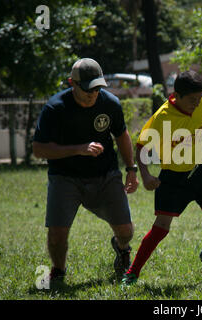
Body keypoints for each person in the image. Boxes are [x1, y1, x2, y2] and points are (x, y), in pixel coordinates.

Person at [121, 70, 202, 285]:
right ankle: (132, 273)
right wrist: (144, 175)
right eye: (191, 100)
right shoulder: (163, 117)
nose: (196, 103)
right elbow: (142, 144)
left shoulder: (201, 98)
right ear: (176, 95)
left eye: (198, 99)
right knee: (161, 228)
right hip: (174, 178)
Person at [33, 58, 139, 285]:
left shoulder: (110, 104)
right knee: (57, 235)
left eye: (98, 87)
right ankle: (59, 271)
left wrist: (131, 169)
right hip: (65, 177)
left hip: (105, 175)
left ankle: (122, 250)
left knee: (126, 231)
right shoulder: (55, 107)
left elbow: (122, 135)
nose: (93, 93)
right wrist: (78, 149)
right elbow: (38, 149)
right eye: (88, 88)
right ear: (72, 83)